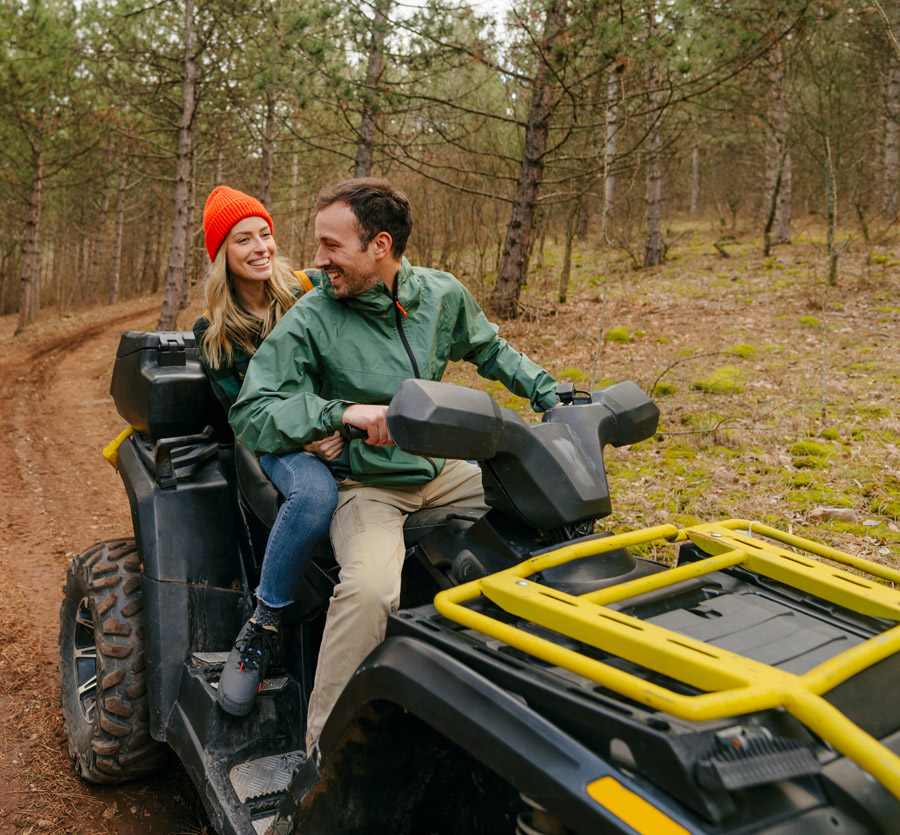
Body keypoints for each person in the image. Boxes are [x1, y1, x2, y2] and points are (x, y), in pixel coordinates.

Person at [229, 178, 557, 753]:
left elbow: (490, 349)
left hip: (445, 470)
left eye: (332, 246)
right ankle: (320, 752)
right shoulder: (314, 315)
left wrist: (554, 395)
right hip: (369, 484)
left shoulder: (439, 294)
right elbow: (252, 410)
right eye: (317, 244)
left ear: (380, 245)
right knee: (371, 587)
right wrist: (340, 413)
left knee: (544, 511)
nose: (316, 259)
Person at [192, 185, 342, 717]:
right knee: (316, 493)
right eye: (243, 240)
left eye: (265, 235)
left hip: (338, 418)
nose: (260, 248)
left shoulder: (308, 290)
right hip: (272, 439)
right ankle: (262, 623)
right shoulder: (215, 335)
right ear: (222, 256)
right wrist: (306, 436)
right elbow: (246, 417)